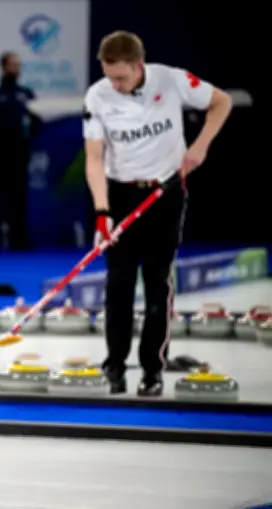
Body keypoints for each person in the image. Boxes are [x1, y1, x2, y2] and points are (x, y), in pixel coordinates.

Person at [84, 31, 233, 396]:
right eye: (109, 76)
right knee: (118, 283)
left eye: (121, 77)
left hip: (165, 192)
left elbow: (222, 102)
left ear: (139, 66)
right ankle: (114, 366)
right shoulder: (98, 95)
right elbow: (94, 157)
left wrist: (200, 147)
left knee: (157, 282)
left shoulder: (171, 79)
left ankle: (152, 369)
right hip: (120, 195)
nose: (114, 84)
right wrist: (102, 213)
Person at [0, 51, 41, 249]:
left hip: (19, 152)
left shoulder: (26, 93)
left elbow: (36, 119)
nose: (16, 68)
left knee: (19, 195)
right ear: (3, 67)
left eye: (18, 64)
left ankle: (19, 239)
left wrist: (29, 139)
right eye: (12, 64)